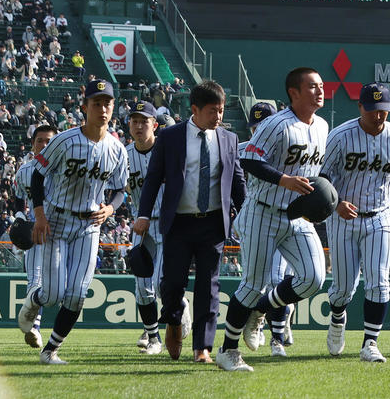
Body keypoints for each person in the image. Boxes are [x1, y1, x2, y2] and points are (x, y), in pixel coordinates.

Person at [216, 68, 329, 373]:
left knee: (313, 278)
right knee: (252, 284)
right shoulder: (275, 124)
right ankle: (228, 351)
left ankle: (262, 311)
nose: (320, 91)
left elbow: (317, 175)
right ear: (294, 92)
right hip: (263, 211)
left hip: (297, 215)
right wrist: (284, 180)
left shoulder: (322, 125)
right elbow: (250, 159)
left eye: (321, 86)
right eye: (312, 86)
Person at [17, 78, 129, 364]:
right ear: (84, 107)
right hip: (55, 220)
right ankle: (34, 301)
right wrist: (39, 216)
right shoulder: (64, 140)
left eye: (107, 103)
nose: (102, 109)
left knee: (78, 294)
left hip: (89, 225)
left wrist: (111, 209)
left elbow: (120, 189)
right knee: (53, 294)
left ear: (113, 107)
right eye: (96, 104)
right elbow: (38, 175)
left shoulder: (117, 149)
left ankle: (50, 350)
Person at [134, 80, 244, 363]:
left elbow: (237, 181)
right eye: (212, 111)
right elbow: (153, 180)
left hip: (213, 224)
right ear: (194, 109)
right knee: (171, 284)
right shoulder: (170, 138)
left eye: (221, 111)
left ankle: (202, 348)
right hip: (179, 224)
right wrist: (144, 215)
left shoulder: (229, 140)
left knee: (209, 287)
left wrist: (243, 214)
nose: (218, 117)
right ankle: (172, 321)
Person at [321, 83, 390, 363]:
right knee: (343, 289)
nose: (378, 116)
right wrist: (336, 203)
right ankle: (338, 318)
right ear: (360, 107)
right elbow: (322, 177)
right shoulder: (339, 136)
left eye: (383, 110)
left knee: (379, 283)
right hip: (343, 218)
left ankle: (370, 343)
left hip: (381, 216)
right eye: (372, 110)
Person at [234, 101, 294, 355]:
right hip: (254, 219)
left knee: (277, 279)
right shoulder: (240, 150)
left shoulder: (289, 148)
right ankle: (274, 319)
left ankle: (276, 338)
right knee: (255, 281)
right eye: (254, 126)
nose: (258, 129)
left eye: (263, 124)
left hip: (285, 217)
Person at [125, 100, 184, 356]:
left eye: (144, 121)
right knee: (141, 287)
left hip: (168, 225)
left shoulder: (168, 151)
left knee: (162, 286)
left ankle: (180, 314)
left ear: (155, 125)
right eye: (134, 121)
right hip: (141, 227)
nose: (139, 126)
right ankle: (153, 339)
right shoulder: (124, 155)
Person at [13, 123, 57, 348]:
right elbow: (18, 197)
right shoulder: (25, 171)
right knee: (35, 281)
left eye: (49, 140)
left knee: (59, 289)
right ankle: (35, 328)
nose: (44, 145)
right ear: (33, 144)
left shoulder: (62, 169)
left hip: (62, 232)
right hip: (37, 231)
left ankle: (44, 329)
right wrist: (20, 217)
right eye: (40, 140)